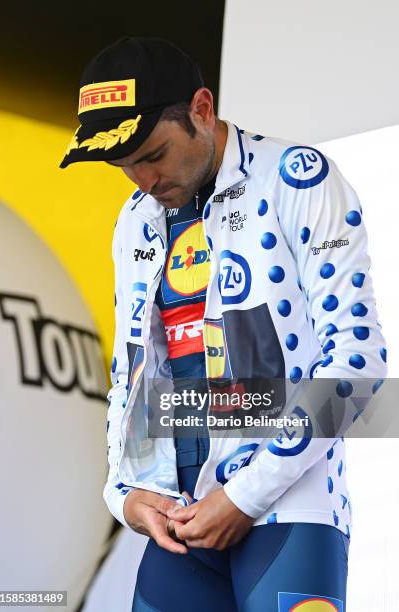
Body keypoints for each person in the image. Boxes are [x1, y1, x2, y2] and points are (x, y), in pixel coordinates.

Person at [60, 36, 387, 611]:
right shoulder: (136, 219)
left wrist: (244, 496)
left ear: (202, 110)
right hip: (179, 518)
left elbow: (359, 365)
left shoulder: (297, 177)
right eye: (124, 165)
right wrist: (125, 493)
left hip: (289, 507)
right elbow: (131, 375)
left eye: (154, 154)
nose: (141, 181)